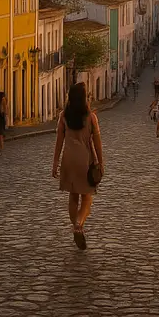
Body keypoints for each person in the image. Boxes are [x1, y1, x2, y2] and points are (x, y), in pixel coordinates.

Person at [52, 82, 104, 251]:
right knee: (87, 196)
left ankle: (76, 226)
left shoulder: (63, 116)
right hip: (85, 160)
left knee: (73, 196)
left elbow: (59, 141)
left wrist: (55, 163)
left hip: (68, 159)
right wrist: (100, 163)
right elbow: (97, 143)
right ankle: (78, 224)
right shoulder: (90, 117)